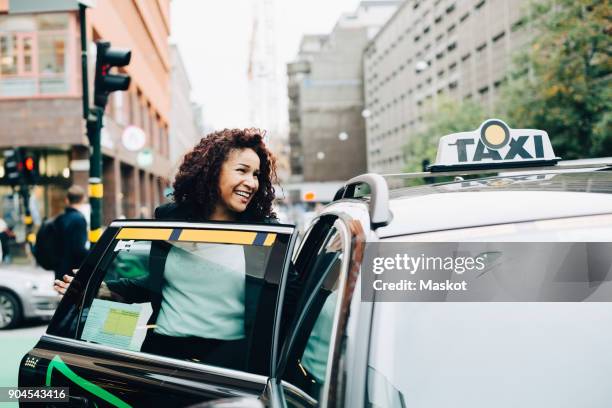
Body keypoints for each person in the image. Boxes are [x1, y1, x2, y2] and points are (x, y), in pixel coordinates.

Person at [55, 128, 279, 371]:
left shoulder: (264, 233)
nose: (252, 182)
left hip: (230, 365)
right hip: (162, 356)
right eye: (242, 170)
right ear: (213, 171)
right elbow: (159, 282)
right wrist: (100, 289)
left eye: (256, 174)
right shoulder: (171, 219)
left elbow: (287, 295)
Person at [54, 185, 88, 280]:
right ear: (83, 199)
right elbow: (79, 248)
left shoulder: (60, 218)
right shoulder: (79, 219)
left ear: (67, 200)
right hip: (72, 272)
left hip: (59, 269)